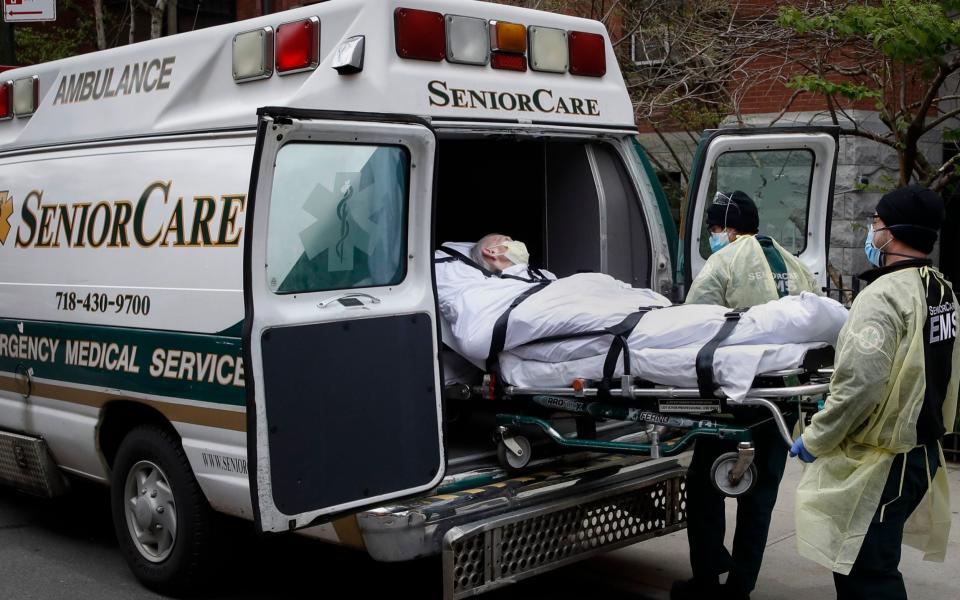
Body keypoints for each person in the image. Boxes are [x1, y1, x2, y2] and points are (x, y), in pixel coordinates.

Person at [790, 185, 958, 600]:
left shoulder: (883, 296)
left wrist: (817, 437)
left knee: (868, 575)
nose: (872, 232)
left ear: (893, 232)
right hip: (919, 453)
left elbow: (859, 385)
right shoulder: (940, 290)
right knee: (874, 564)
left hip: (884, 465)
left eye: (877, 224)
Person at [673, 190, 820, 600]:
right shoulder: (795, 264)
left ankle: (706, 580)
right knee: (761, 494)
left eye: (714, 230)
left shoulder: (725, 261)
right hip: (784, 400)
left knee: (705, 486)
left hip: (734, 400)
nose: (713, 237)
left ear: (728, 229)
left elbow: (693, 324)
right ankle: (741, 586)